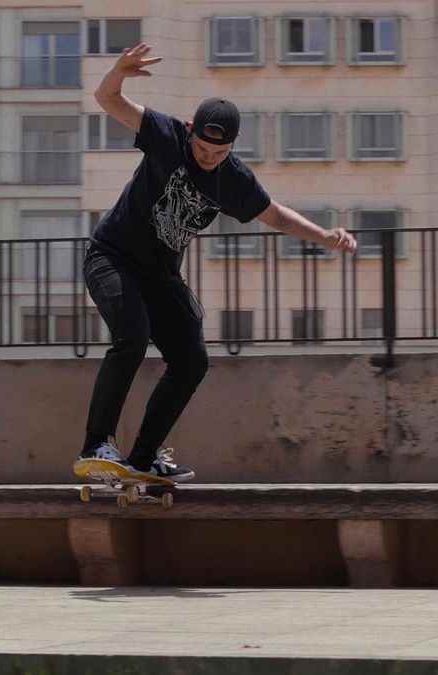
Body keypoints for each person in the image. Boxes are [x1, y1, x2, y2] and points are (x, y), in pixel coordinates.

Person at [76, 43, 358, 482]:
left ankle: (143, 458)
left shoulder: (234, 180)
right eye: (203, 150)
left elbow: (275, 214)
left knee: (191, 360)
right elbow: (108, 100)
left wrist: (323, 235)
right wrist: (117, 71)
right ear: (191, 132)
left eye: (218, 154)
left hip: (160, 275)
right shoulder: (166, 135)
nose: (208, 159)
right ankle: (96, 444)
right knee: (132, 336)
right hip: (111, 257)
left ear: (231, 148)